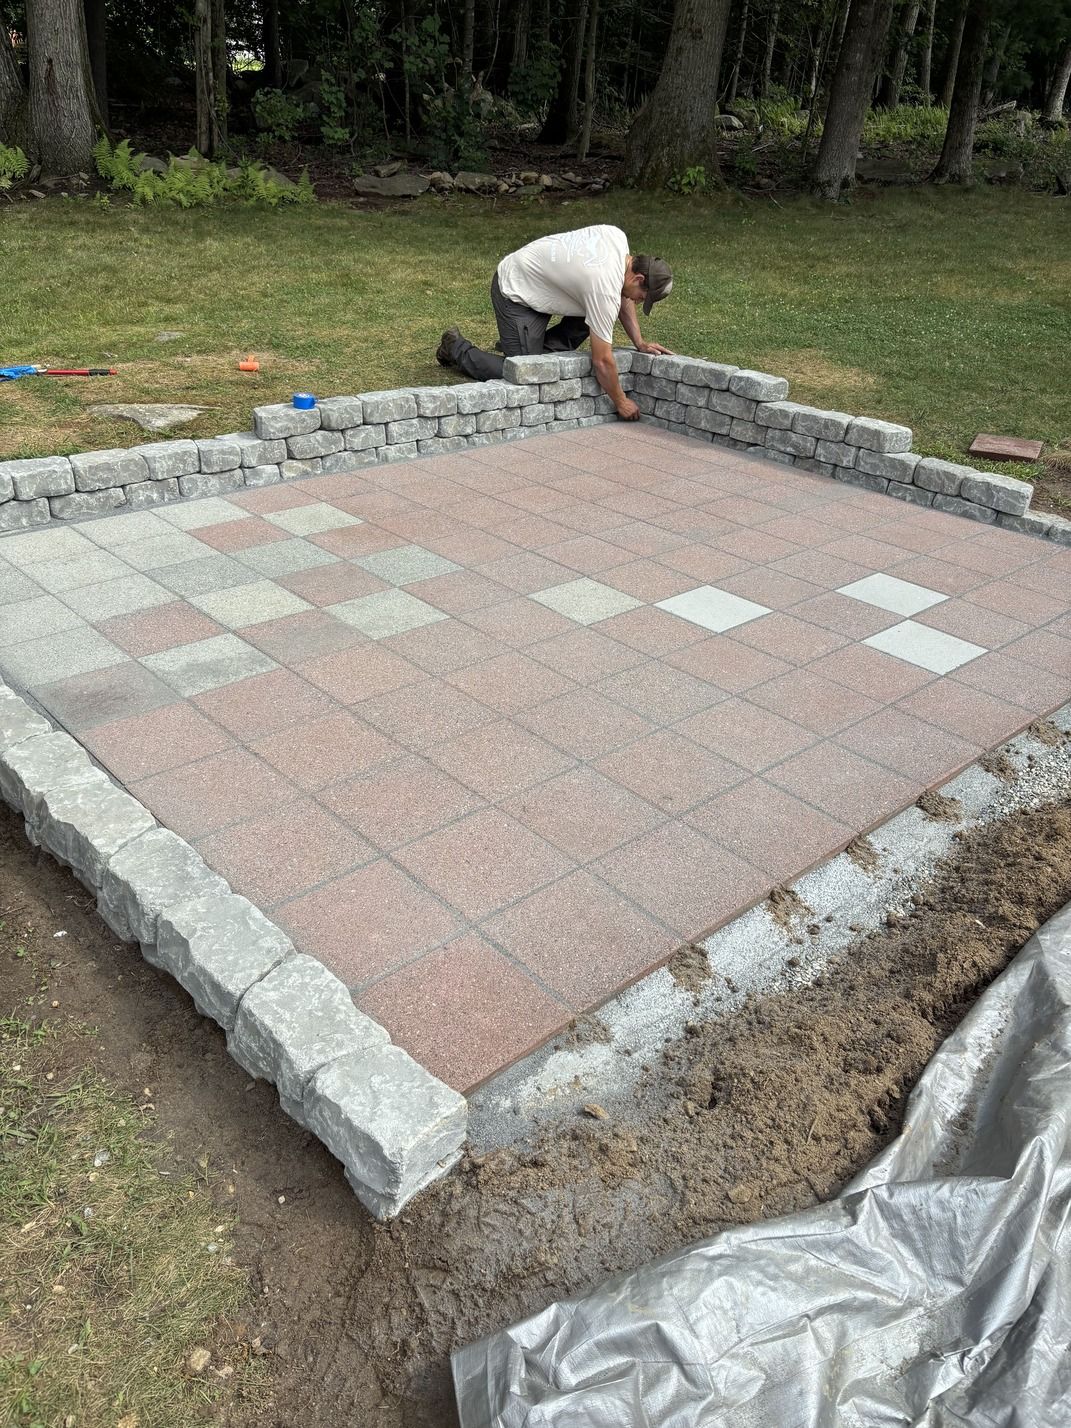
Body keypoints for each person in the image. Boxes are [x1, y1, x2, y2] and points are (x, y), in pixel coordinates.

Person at [435, 224, 674, 422]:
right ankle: (455, 347)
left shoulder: (617, 238)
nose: (637, 300)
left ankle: (520, 339)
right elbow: (602, 361)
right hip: (516, 289)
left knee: (598, 316)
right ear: (639, 277)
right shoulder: (603, 288)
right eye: (642, 296)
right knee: (528, 373)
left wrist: (640, 342)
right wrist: (621, 401)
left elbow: (622, 297)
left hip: (542, 283)